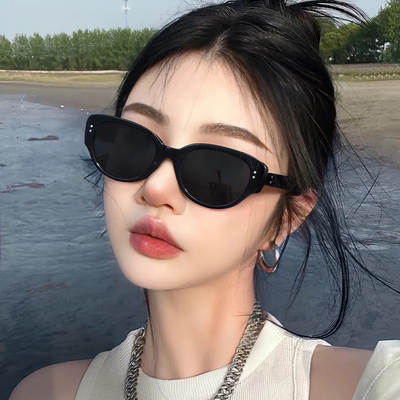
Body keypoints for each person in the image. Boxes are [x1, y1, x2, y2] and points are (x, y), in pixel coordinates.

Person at [9, 0, 400, 399]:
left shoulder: (372, 384)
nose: (156, 188)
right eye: (134, 143)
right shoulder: (45, 393)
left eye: (218, 170)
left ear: (288, 217)